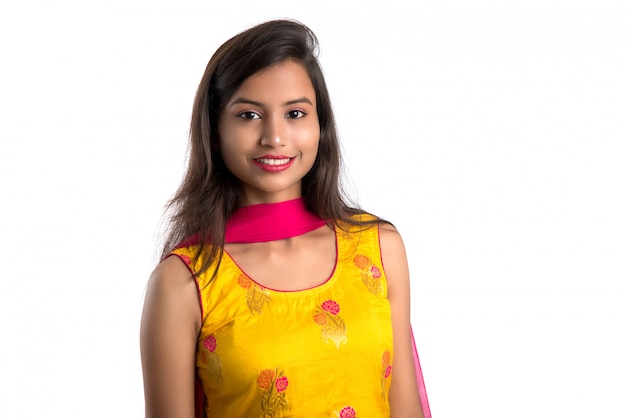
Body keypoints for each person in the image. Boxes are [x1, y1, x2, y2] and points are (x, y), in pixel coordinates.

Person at [140, 18, 431, 418]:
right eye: (248, 116)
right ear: (214, 131)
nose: (275, 137)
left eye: (295, 113)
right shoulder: (185, 281)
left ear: (320, 125)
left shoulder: (379, 249)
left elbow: (405, 408)